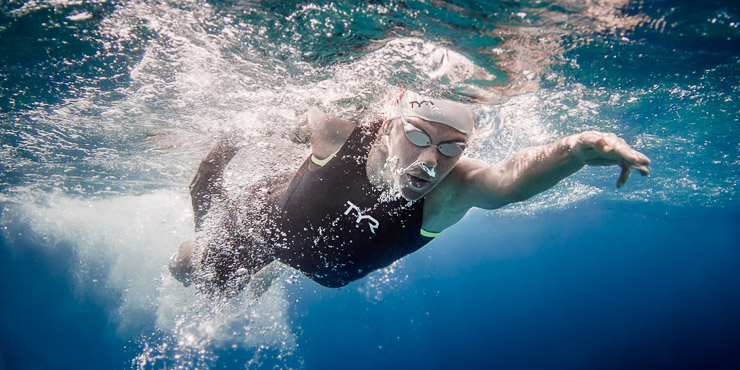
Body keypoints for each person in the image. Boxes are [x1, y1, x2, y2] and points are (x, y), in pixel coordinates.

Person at [169, 90, 651, 293]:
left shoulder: (452, 190)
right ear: (387, 129)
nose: (430, 162)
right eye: (418, 136)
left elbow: (508, 181)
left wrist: (578, 149)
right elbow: (270, 118)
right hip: (260, 222)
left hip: (307, 257)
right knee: (194, 273)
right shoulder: (345, 134)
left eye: (450, 148)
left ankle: (273, 268)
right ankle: (249, 260)